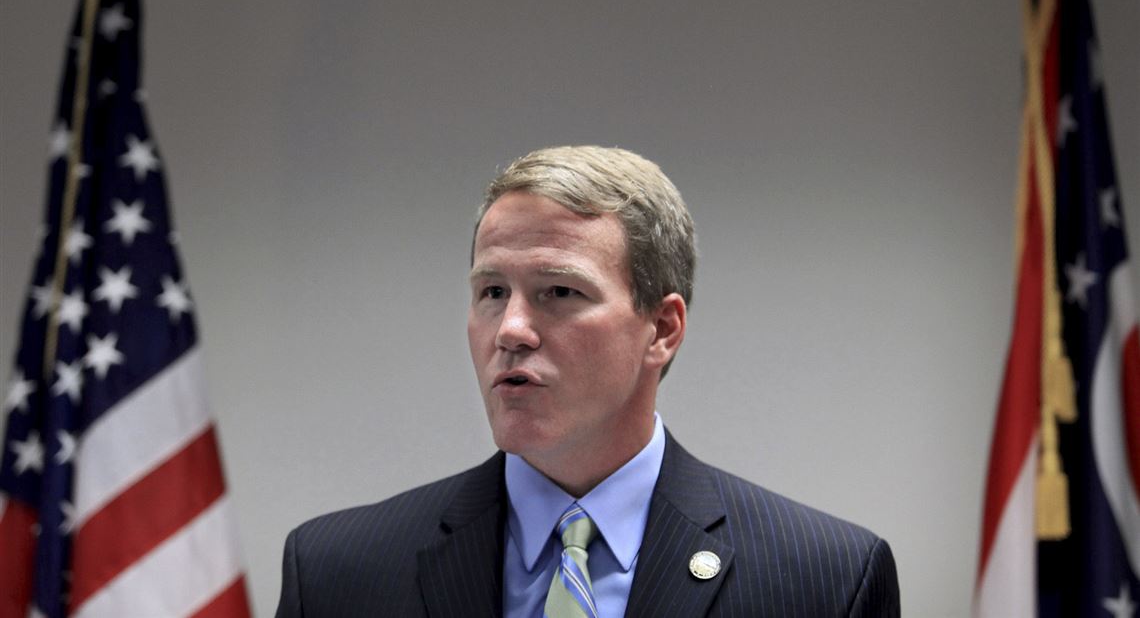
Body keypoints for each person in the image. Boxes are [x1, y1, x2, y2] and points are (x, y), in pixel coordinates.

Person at [275, 145, 900, 617]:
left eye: (558, 291)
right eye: (492, 292)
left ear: (662, 329)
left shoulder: (826, 580)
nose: (510, 330)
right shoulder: (336, 572)